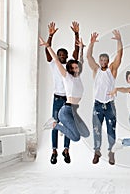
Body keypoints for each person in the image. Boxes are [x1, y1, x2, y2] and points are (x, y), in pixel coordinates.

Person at [39, 36, 90, 152]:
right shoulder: (67, 77)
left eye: (77, 67)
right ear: (70, 69)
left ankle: (63, 129)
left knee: (86, 133)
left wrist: (81, 48)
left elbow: (81, 60)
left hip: (74, 109)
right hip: (65, 110)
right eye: (74, 67)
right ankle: (54, 125)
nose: (77, 68)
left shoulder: (78, 77)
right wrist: (48, 46)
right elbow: (56, 61)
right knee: (76, 137)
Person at [43, 21, 80, 164]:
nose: (63, 56)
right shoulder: (54, 64)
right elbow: (47, 51)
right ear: (57, 56)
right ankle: (54, 151)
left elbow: (76, 52)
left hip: (68, 100)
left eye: (65, 55)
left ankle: (66, 150)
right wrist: (50, 36)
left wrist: (76, 34)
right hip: (57, 98)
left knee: (68, 125)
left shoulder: (70, 67)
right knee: (55, 122)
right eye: (60, 55)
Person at [87, 30, 123, 165]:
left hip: (109, 105)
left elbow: (119, 55)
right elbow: (89, 57)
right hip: (97, 104)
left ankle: (111, 152)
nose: (103, 61)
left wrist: (119, 40)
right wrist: (91, 44)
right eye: (101, 60)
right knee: (96, 129)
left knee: (111, 129)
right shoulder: (96, 70)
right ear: (99, 61)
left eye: (105, 60)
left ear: (108, 61)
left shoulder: (111, 70)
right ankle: (97, 151)